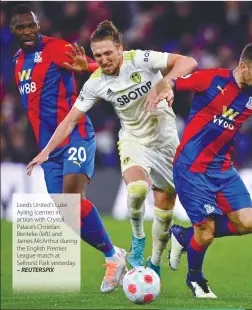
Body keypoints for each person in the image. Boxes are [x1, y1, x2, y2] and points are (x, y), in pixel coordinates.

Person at [26, 20, 198, 277]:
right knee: (138, 189)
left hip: (166, 143)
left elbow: (189, 61)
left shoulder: (140, 59)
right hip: (133, 140)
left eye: (108, 53)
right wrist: (47, 150)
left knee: (164, 215)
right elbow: (70, 120)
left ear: (121, 49)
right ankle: (137, 240)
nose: (104, 59)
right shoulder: (95, 83)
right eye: (98, 55)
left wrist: (167, 82)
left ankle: (155, 261)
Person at [150, 42, 252, 297]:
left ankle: (183, 236)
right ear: (243, 67)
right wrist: (165, 89)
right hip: (192, 168)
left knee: (247, 223)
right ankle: (196, 279)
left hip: (223, 168)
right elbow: (169, 83)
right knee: (207, 232)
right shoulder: (211, 79)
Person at [11, 4, 126, 293]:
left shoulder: (56, 48)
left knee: (71, 200)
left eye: (31, 25)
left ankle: (113, 259)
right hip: (49, 148)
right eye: (20, 27)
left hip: (75, 134)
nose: (27, 31)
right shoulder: (16, 62)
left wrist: (84, 68)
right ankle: (114, 255)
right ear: (12, 30)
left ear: (39, 25)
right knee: (66, 213)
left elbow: (97, 66)